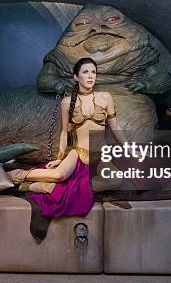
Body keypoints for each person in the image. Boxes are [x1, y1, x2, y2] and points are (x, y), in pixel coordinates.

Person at [8, 57, 127, 218]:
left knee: (115, 180)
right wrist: (59, 158)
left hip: (100, 154)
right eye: (86, 72)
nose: (91, 76)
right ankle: (18, 175)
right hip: (78, 152)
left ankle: (56, 188)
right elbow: (65, 132)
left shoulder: (105, 97)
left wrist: (129, 147)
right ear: (76, 77)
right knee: (58, 175)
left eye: (94, 72)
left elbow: (115, 127)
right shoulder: (67, 102)